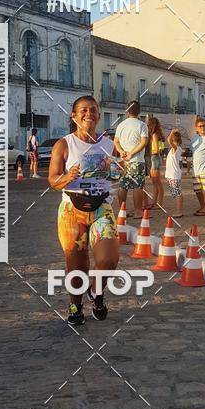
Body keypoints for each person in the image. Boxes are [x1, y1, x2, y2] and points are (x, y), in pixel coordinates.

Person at [48, 95, 119, 325]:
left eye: (93, 110)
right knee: (76, 265)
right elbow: (52, 180)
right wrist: (67, 177)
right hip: (72, 209)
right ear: (74, 116)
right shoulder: (64, 144)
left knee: (108, 258)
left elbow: (119, 174)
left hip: (102, 206)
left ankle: (97, 293)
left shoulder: (109, 144)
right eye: (83, 110)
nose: (89, 113)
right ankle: (75, 306)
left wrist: (119, 167)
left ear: (99, 115)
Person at [114, 101, 149, 219]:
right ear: (139, 111)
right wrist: (131, 153)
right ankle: (138, 211)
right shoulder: (141, 125)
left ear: (127, 111)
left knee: (123, 185)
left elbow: (116, 141)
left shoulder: (121, 125)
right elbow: (144, 142)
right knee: (137, 185)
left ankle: (122, 210)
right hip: (137, 159)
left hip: (124, 160)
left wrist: (122, 152)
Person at [145, 117, 165, 210]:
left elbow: (156, 149)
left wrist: (148, 151)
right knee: (155, 182)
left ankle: (159, 203)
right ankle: (154, 202)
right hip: (153, 158)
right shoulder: (153, 134)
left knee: (157, 182)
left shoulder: (154, 135)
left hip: (154, 158)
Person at [165, 128, 183, 218]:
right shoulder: (177, 149)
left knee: (177, 193)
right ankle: (178, 210)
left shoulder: (175, 148)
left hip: (173, 175)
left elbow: (168, 139)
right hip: (173, 174)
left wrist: (171, 131)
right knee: (177, 193)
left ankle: (179, 211)